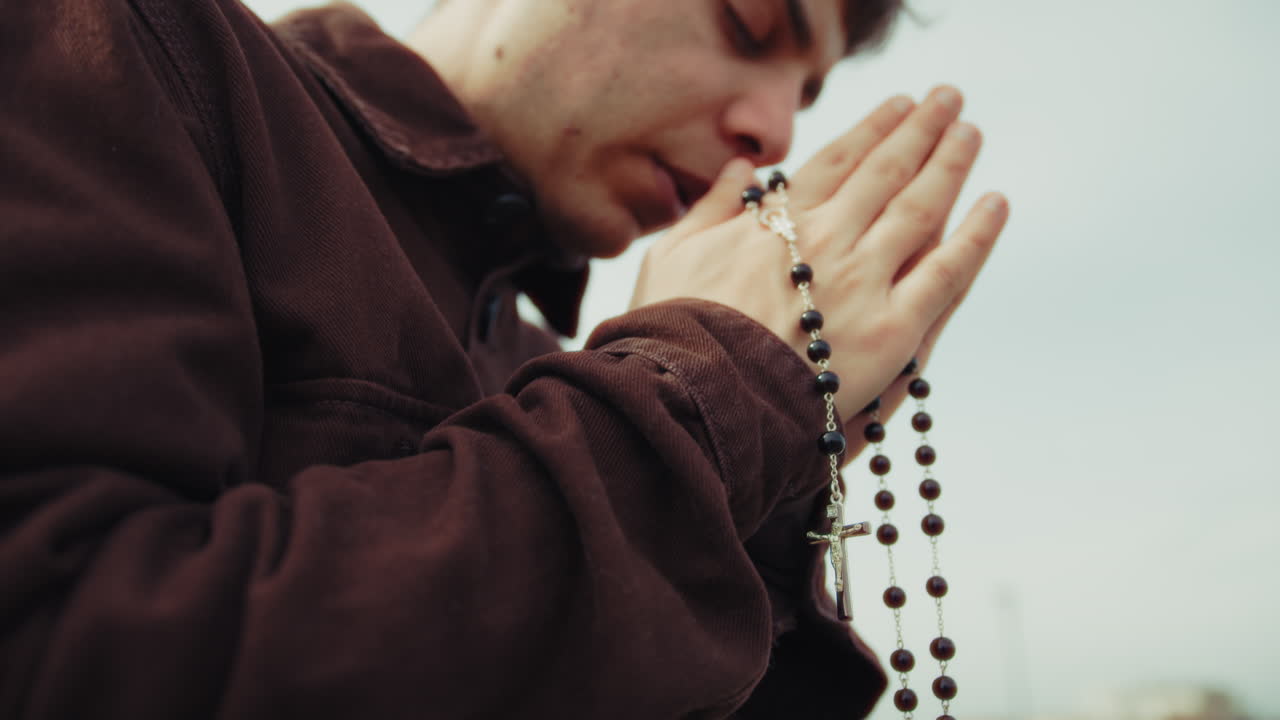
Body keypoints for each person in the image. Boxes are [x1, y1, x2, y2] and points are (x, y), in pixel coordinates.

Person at [0, 0, 1006, 717]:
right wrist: (692, 398)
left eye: (805, 89)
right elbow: (58, 643)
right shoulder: (130, 41)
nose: (774, 129)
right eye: (747, 25)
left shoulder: (544, 365)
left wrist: (765, 462)